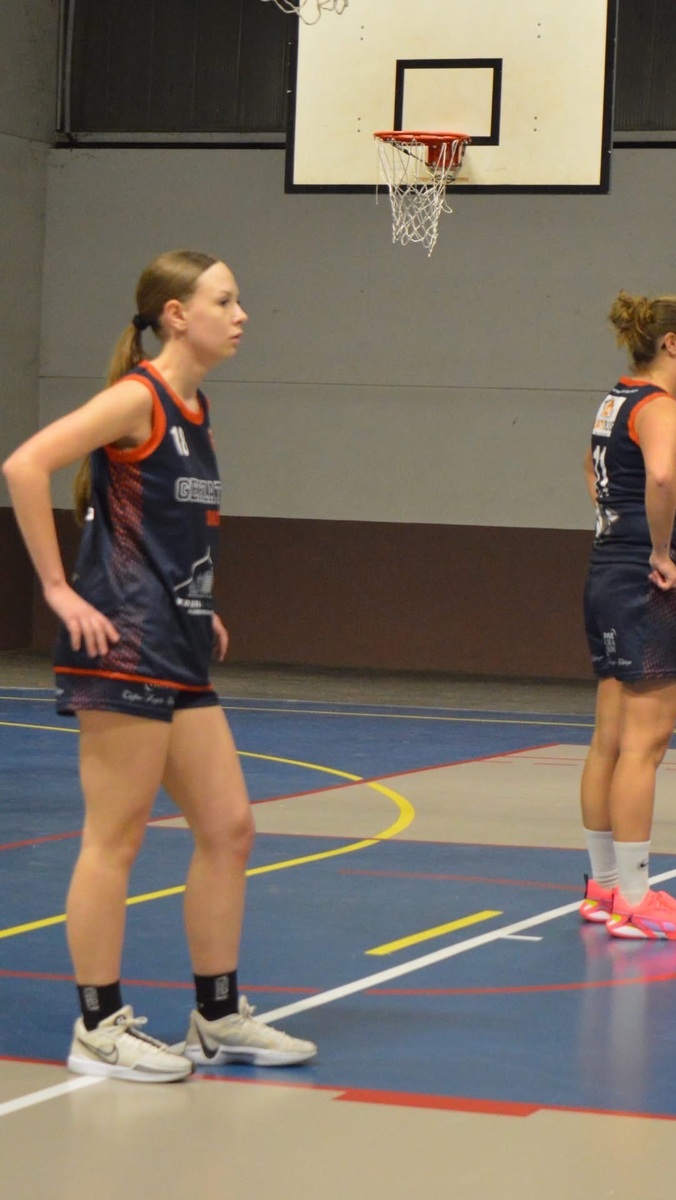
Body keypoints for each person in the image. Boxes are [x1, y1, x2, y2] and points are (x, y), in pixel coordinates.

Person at [2, 249, 317, 1082]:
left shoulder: (196, 407)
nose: (241, 315)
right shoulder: (137, 396)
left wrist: (200, 603)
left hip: (177, 642)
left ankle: (217, 1017)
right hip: (123, 644)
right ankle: (98, 1029)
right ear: (177, 315)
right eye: (225, 300)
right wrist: (57, 589)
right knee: (115, 839)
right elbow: (24, 465)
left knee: (230, 828)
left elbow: (164, 529)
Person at [578, 291, 676, 941]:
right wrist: (658, 550)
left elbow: (592, 469)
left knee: (610, 740)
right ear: (671, 343)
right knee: (644, 746)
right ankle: (635, 901)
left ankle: (605, 886)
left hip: (611, 573)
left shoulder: (618, 400)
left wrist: (618, 526)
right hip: (652, 585)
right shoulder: (660, 406)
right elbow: (662, 477)